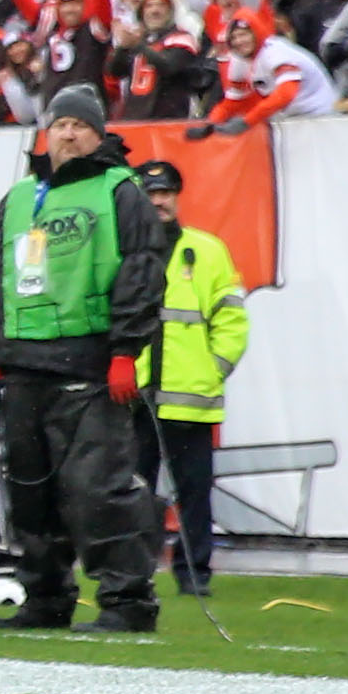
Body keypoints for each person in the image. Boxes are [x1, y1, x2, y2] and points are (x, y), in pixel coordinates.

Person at [0, 84, 169, 632]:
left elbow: (142, 275)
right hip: (23, 368)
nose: (69, 133)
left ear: (100, 134)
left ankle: (127, 602)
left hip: (90, 365)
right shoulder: (20, 198)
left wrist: (126, 351)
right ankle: (45, 597)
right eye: (59, 125)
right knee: (30, 494)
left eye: (80, 125)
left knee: (97, 491)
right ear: (44, 133)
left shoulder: (120, 192)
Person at [137, 158, 245, 597]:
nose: (159, 201)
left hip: (190, 395)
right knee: (135, 493)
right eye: (151, 194)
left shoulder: (207, 250)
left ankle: (194, 573)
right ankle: (135, 572)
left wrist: (211, 369)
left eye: (166, 193)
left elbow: (233, 321)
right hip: (137, 395)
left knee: (194, 493)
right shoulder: (121, 249)